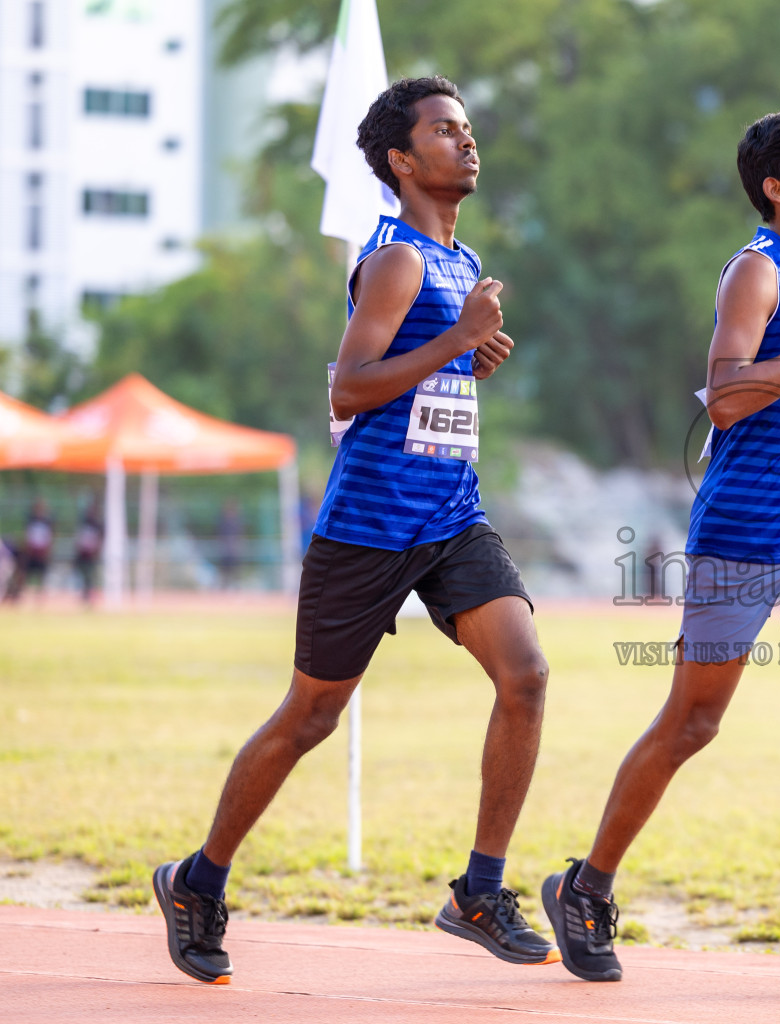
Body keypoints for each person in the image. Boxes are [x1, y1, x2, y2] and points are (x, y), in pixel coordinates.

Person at [152, 76, 556, 985]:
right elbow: (349, 387)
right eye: (445, 132)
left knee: (525, 674)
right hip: (371, 526)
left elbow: (418, 381)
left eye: (467, 128)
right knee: (312, 715)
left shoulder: (459, 260)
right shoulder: (398, 259)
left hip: (452, 513)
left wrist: (466, 356)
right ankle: (198, 880)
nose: (467, 142)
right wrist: (455, 342)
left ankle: (478, 892)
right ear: (402, 161)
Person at [541, 106, 780, 982]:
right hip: (745, 534)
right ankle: (587, 886)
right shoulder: (759, 273)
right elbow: (723, 401)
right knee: (693, 721)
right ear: (776, 186)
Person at [20, 498, 53, 604]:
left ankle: (40, 598)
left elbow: (50, 537)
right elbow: (27, 536)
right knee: (25, 574)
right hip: (31, 552)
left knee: (41, 575)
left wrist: (47, 551)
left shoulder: (47, 522)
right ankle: (22, 596)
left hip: (41, 552)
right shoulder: (31, 520)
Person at [74, 500, 103, 607]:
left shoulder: (98, 525)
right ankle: (84, 596)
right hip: (82, 554)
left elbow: (100, 540)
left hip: (92, 555)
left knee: (91, 577)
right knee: (83, 576)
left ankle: (91, 598)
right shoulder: (84, 523)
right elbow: (79, 538)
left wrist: (96, 552)